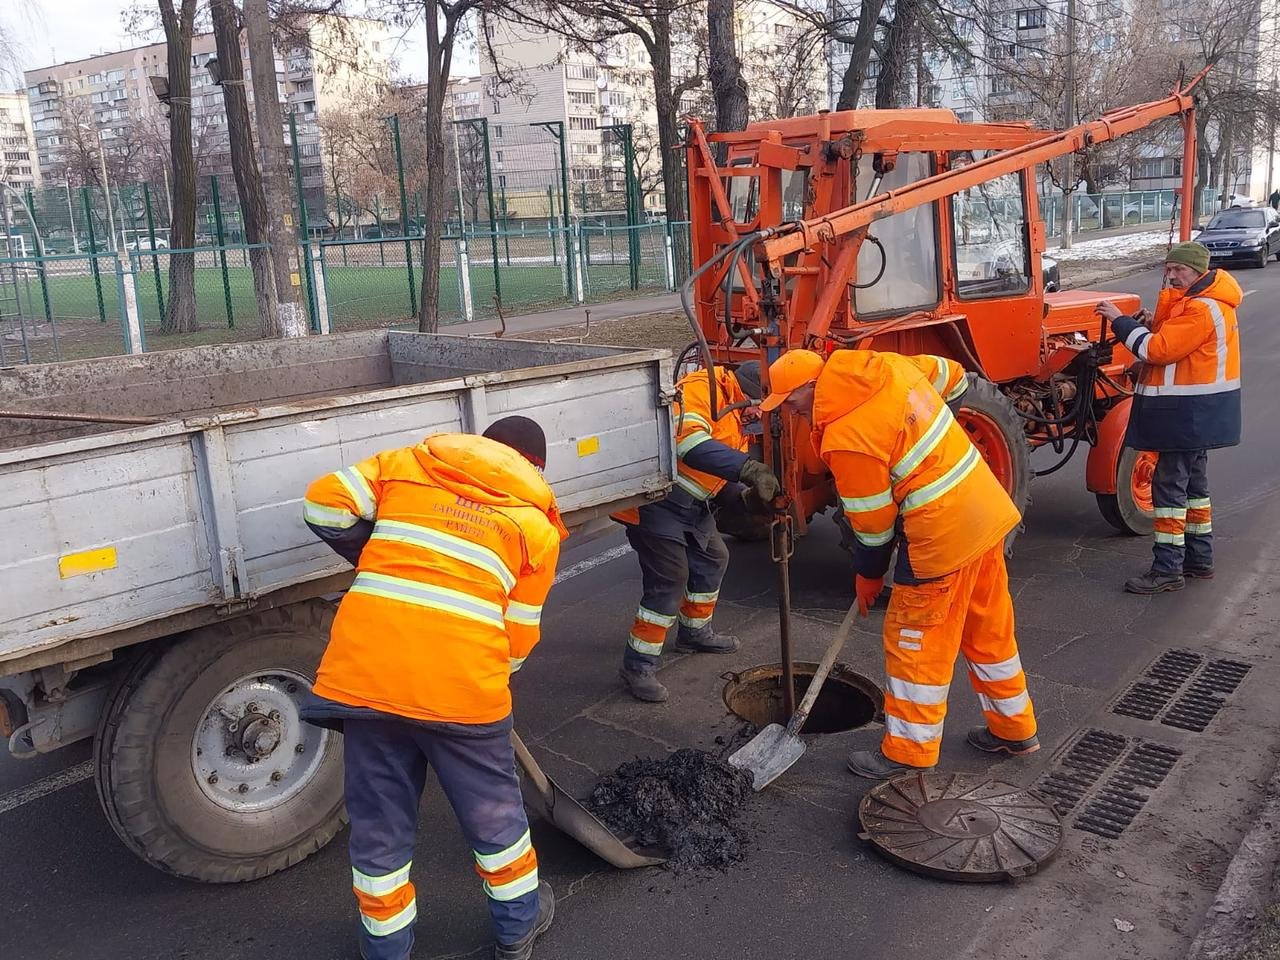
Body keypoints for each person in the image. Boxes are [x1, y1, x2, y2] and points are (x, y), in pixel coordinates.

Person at [300, 416, 568, 960]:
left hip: (367, 680)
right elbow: (518, 640)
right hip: (463, 694)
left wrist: (380, 556)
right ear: (533, 468)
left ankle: (386, 947)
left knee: (380, 823)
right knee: (495, 819)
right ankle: (518, 928)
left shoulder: (406, 466)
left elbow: (323, 503)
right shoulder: (535, 527)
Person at [759, 349, 1038, 779]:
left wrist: (868, 575)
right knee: (986, 628)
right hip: (984, 509)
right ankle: (1014, 728)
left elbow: (871, 527)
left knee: (915, 641)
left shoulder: (848, 437)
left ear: (812, 387)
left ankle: (908, 751)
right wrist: (934, 443)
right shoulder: (882, 366)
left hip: (943, 535)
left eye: (790, 402)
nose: (789, 412)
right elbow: (954, 375)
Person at [613, 363, 780, 703]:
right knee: (671, 577)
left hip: (692, 508)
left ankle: (694, 632)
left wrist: (748, 502)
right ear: (745, 392)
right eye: (757, 406)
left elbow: (714, 481)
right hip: (657, 504)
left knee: (715, 558)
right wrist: (748, 469)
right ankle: (637, 666)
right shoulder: (703, 388)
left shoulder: (735, 415)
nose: (757, 415)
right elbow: (689, 445)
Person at [1096, 241, 1242, 595]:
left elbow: (1156, 349)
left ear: (1198, 272)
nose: (1171, 275)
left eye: (1179, 270)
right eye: (1169, 268)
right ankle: (1198, 560)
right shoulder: (1201, 304)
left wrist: (1120, 320)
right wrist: (1150, 322)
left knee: (1169, 492)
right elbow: (1173, 344)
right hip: (1199, 414)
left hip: (1185, 415)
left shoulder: (1202, 309)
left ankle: (1167, 570)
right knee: (1194, 491)